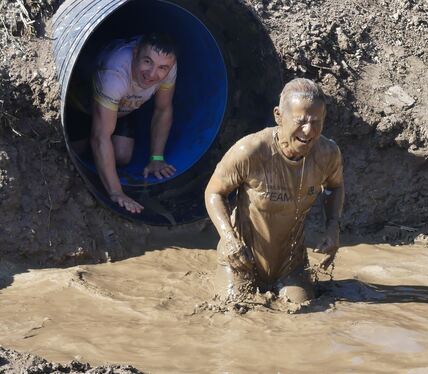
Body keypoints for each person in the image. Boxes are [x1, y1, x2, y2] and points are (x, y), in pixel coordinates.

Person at [204, 78, 345, 304]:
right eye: (300, 121)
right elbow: (214, 193)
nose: (308, 131)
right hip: (241, 259)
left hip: (291, 265)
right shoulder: (250, 151)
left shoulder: (327, 154)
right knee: (234, 313)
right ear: (279, 116)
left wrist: (333, 227)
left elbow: (335, 187)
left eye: (316, 121)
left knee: (303, 311)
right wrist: (229, 239)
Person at [66, 33, 178, 213]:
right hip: (81, 105)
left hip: (120, 110)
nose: (152, 74)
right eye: (147, 62)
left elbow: (163, 109)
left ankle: (102, 160)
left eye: (162, 67)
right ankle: (92, 154)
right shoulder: (114, 75)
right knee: (73, 154)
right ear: (135, 54)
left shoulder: (168, 66)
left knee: (122, 155)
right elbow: (101, 137)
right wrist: (116, 192)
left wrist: (156, 158)